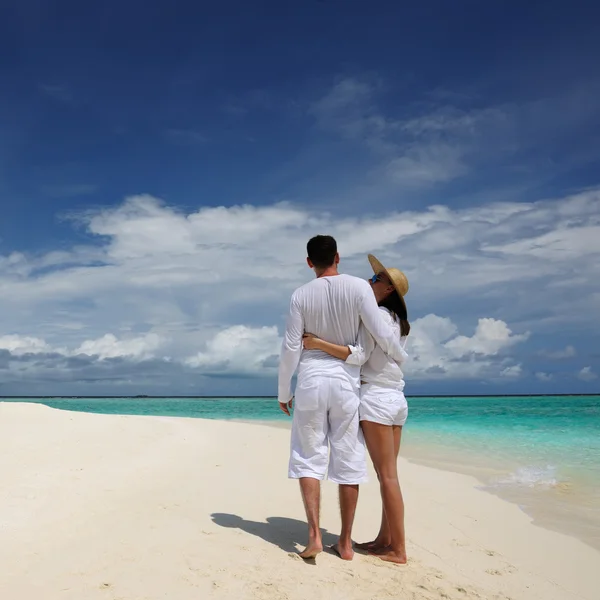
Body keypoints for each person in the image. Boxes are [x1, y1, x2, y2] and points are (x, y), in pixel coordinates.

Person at [278, 236, 409, 561]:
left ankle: (314, 538)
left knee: (309, 456)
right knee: (348, 460)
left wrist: (284, 391)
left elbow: (291, 347)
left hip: (311, 380)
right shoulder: (359, 288)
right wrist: (399, 355)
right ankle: (347, 544)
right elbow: (379, 333)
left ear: (309, 262)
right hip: (347, 384)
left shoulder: (300, 295)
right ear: (338, 256)